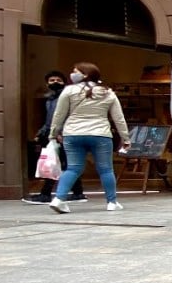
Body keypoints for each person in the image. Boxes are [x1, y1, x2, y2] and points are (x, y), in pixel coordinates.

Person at [47, 62, 130, 214]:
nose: (72, 74)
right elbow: (119, 118)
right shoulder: (108, 92)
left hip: (72, 134)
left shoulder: (69, 90)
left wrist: (53, 133)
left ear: (85, 74)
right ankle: (112, 202)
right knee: (105, 169)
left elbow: (59, 114)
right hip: (100, 134)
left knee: (73, 168)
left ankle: (59, 199)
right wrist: (125, 138)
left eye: (75, 71)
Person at [24, 70, 87, 204]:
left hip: (64, 135)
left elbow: (68, 116)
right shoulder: (50, 99)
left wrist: (61, 133)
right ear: (47, 83)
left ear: (64, 82)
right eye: (52, 80)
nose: (55, 82)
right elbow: (50, 120)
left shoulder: (66, 97)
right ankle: (78, 193)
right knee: (63, 163)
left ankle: (46, 194)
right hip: (53, 135)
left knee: (56, 163)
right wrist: (41, 133)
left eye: (58, 80)